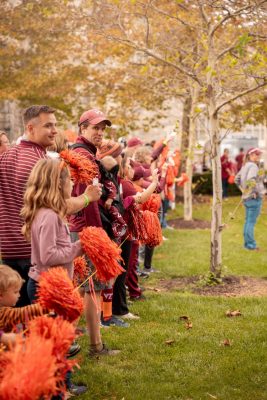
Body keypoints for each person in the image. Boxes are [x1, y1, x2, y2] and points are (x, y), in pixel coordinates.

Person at [0, 105, 100, 306]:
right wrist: (87, 198)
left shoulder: (5, 156)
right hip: (35, 254)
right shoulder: (41, 163)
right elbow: (56, 205)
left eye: (55, 125)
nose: (55, 131)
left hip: (9, 250)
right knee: (41, 321)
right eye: (48, 126)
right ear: (30, 128)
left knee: (19, 317)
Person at [20, 159, 83, 301]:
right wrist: (79, 247)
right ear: (59, 184)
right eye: (70, 179)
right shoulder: (50, 216)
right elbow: (48, 256)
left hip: (50, 282)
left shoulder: (47, 212)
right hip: (47, 286)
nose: (73, 183)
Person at [235, 148, 265, 251]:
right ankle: (251, 245)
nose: (258, 156)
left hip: (247, 198)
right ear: (250, 155)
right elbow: (251, 180)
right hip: (253, 198)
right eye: (256, 154)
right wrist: (254, 192)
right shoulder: (252, 166)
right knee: (250, 222)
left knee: (248, 221)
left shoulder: (245, 165)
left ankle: (247, 245)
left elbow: (236, 179)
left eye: (259, 154)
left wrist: (244, 191)